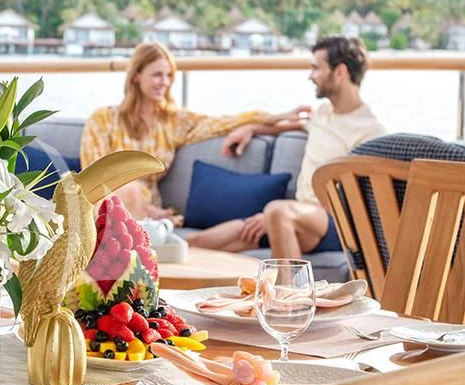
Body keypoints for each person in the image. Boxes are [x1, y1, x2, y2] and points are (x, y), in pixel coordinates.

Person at [185, 35, 387, 258]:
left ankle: (287, 293)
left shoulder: (370, 132)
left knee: (276, 211)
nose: (311, 76)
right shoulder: (322, 114)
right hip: (298, 217)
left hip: (334, 222)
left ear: (340, 72)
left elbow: (361, 202)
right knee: (195, 243)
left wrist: (279, 216)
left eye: (316, 68)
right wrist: (252, 129)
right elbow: (291, 126)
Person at [80, 41, 308, 220]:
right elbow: (93, 181)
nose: (165, 82)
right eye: (157, 74)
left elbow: (224, 123)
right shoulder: (102, 119)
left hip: (146, 211)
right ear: (136, 76)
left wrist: (279, 119)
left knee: (131, 195)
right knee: (126, 193)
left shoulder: (173, 121)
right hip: (107, 207)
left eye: (169, 75)